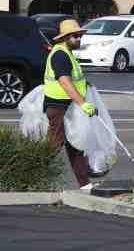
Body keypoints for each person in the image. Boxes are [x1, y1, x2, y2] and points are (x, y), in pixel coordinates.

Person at [44, 20, 97, 190]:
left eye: (80, 35)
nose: (79, 39)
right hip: (58, 107)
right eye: (75, 36)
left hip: (68, 107)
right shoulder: (60, 54)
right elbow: (65, 82)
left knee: (75, 144)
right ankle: (32, 176)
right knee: (53, 146)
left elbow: (74, 79)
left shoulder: (67, 53)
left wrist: (85, 88)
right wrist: (83, 104)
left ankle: (85, 184)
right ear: (65, 37)